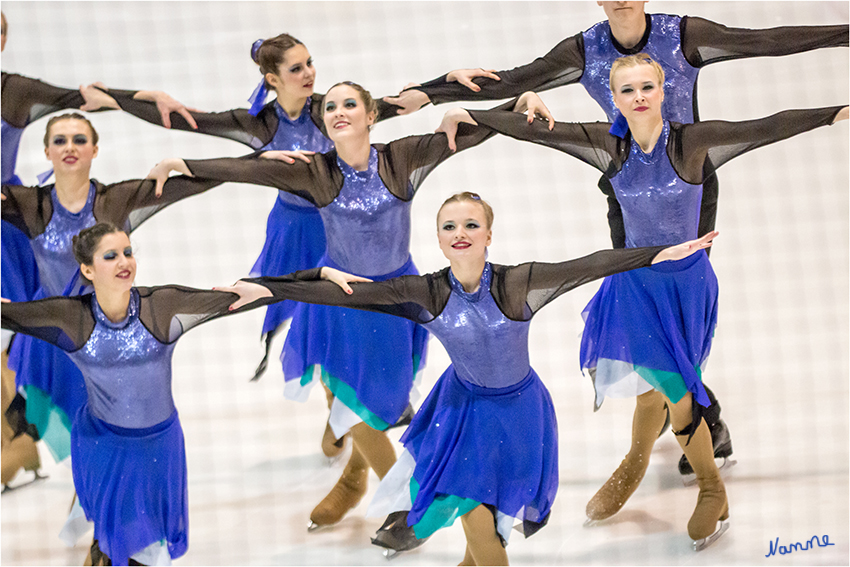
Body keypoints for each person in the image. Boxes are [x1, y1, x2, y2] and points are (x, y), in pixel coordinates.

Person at [385, 1, 848, 480]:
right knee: (639, 299)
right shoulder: (585, 51)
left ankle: (697, 412)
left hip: (686, 182)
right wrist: (430, 92)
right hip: (625, 184)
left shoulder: (685, 35)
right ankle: (688, 406)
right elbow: (514, 79)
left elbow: (765, 41)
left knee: (680, 301)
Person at [438, 54, 848, 549]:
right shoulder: (607, 146)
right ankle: (638, 462)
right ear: (616, 98)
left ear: (662, 89)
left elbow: (767, 125)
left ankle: (711, 489)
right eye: (627, 90)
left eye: (646, 87)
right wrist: (473, 115)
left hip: (686, 289)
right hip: (633, 287)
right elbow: (542, 132)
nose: (638, 97)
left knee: (672, 388)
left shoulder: (693, 143)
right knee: (659, 382)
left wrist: (835, 112)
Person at [219, 192, 717, 565]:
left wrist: (655, 255)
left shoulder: (517, 285)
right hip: (461, 416)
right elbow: (342, 294)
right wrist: (274, 285)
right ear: (437, 237)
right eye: (449, 226)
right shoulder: (427, 292)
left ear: (488, 234)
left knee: (483, 529)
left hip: (520, 417)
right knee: (473, 518)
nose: (460, 232)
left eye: (471, 224)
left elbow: (586, 266)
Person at [147, 81, 515, 531]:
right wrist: (182, 163)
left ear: (370, 115)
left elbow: (465, 134)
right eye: (330, 107)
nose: (338, 112)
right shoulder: (314, 172)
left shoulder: (400, 160)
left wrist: (517, 105)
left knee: (376, 403)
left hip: (397, 301)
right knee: (352, 410)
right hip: (339, 305)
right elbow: (248, 172)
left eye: (348, 105)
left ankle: (355, 477)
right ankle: (405, 507)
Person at [88, 33, 411, 458]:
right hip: (296, 237)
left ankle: (354, 423)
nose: (310, 73)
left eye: (310, 62)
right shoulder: (258, 123)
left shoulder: (329, 110)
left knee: (345, 330)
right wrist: (120, 98)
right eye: (296, 69)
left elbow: (403, 101)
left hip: (349, 232)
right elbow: (185, 119)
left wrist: (454, 87)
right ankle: (351, 431)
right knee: (318, 336)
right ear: (272, 78)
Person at [0, 222, 290, 566]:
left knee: (134, 550)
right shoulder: (72, 318)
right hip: (106, 450)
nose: (124, 262)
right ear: (87, 269)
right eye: (111, 256)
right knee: (128, 551)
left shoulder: (160, 307)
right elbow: (12, 314)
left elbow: (236, 296)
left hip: (162, 450)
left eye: (127, 252)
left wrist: (316, 277)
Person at [0, 10, 197, 486]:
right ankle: (17, 440)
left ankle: (26, 435)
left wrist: (143, 101)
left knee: (22, 330)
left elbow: (85, 97)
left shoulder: (14, 92)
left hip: (9, 220)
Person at [1, 113, 223, 465]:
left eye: (79, 139)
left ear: (95, 149)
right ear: (46, 151)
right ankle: (31, 454)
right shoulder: (31, 204)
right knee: (57, 418)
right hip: (55, 330)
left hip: (108, 334)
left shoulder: (114, 201)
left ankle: (83, 490)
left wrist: (256, 163)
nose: (69, 147)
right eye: (60, 141)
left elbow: (194, 183)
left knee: (108, 429)